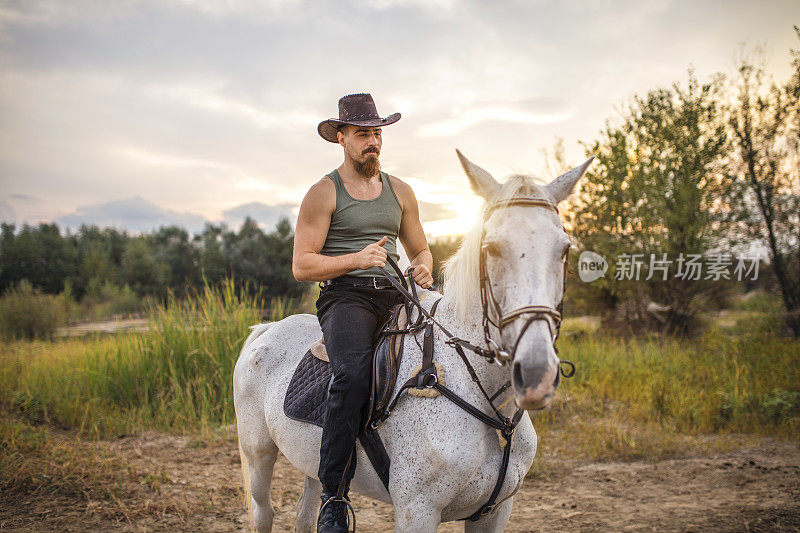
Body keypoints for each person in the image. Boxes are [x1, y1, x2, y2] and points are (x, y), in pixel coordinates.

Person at [291, 93, 434, 532]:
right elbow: (302, 265)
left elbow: (422, 248)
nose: (372, 141)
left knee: (449, 349)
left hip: (397, 291)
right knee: (351, 374)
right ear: (341, 138)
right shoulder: (323, 192)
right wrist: (356, 258)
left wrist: (423, 267)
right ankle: (334, 497)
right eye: (362, 134)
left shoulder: (401, 191)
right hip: (346, 297)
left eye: (377, 133)